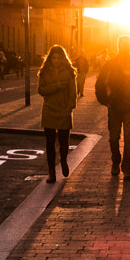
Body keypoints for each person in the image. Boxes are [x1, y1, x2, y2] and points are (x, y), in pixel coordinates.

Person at [94, 34, 130, 179]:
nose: (124, 48)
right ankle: (116, 161)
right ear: (119, 47)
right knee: (113, 138)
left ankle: (127, 168)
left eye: (127, 45)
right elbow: (100, 85)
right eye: (122, 45)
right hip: (114, 107)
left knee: (129, 138)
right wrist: (106, 101)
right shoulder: (110, 65)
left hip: (129, 106)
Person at [37, 45, 79, 182]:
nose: (55, 60)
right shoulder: (44, 72)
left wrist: (70, 108)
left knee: (63, 142)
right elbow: (41, 90)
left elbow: (73, 92)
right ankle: (51, 172)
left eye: (58, 58)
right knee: (49, 143)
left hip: (64, 110)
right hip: (49, 109)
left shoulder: (69, 72)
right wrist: (56, 86)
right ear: (50, 58)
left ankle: (64, 160)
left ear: (62, 58)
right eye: (53, 58)